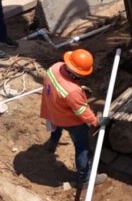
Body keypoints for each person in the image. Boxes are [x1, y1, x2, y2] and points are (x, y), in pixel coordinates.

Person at [41, 49, 100, 187]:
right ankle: (85, 179)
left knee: (56, 127)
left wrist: (80, 90)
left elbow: (60, 89)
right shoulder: (72, 91)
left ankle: (52, 144)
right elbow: (82, 111)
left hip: (53, 109)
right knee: (82, 146)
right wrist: (96, 121)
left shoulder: (54, 67)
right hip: (69, 120)